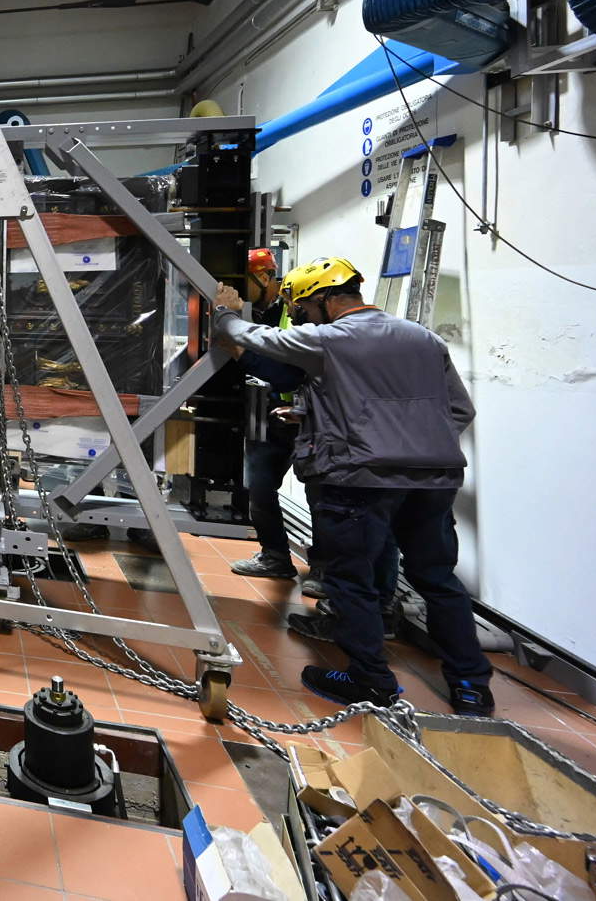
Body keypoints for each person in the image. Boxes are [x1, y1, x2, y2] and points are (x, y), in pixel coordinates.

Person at [211, 256, 495, 716]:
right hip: (433, 480)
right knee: (438, 580)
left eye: (303, 309)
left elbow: (257, 338)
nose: (302, 317)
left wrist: (224, 313)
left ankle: (371, 681)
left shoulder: (332, 339)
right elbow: (458, 411)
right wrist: (412, 443)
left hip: (360, 480)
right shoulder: (424, 339)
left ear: (322, 300)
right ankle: (470, 687)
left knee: (352, 581)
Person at [221, 248, 307, 581]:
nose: (240, 292)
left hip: (307, 417)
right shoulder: (256, 311)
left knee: (323, 495)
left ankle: (328, 572)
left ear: (265, 277)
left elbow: (285, 370)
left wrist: (239, 349)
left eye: (244, 283)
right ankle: (275, 557)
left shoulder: (293, 311)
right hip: (275, 412)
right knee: (258, 487)